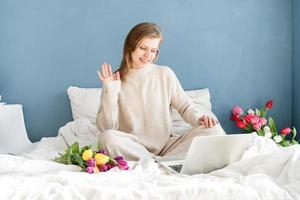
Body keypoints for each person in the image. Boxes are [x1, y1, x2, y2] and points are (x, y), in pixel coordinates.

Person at [96, 22, 226, 161]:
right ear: (130, 46)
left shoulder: (165, 73)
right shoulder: (115, 81)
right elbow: (107, 128)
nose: (148, 55)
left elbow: (185, 106)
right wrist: (110, 90)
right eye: (143, 48)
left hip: (168, 147)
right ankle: (160, 162)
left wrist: (199, 118)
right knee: (107, 138)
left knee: (214, 130)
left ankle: (157, 161)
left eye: (153, 50)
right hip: (133, 148)